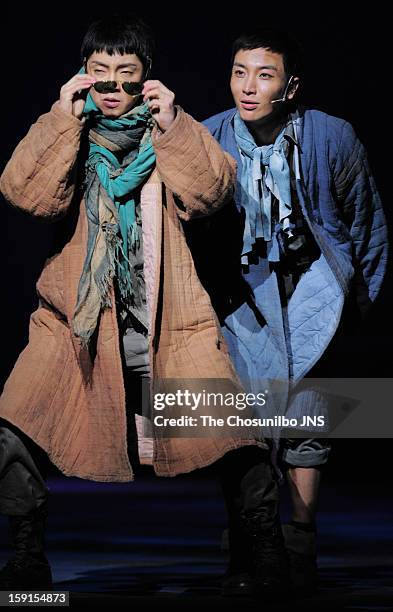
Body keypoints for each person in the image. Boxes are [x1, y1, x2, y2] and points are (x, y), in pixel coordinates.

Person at [0, 16, 287, 597]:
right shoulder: (71, 135)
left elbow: (210, 192)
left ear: (146, 80)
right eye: (99, 74)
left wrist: (173, 123)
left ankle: (262, 560)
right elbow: (25, 193)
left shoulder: (171, 132)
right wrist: (61, 117)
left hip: (171, 322)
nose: (111, 87)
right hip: (78, 326)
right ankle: (28, 563)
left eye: (125, 76)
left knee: (235, 439)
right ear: (84, 76)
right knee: (14, 426)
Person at [199, 28, 388, 595]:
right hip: (238, 298)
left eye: (264, 74)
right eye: (238, 72)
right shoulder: (208, 136)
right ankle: (249, 545)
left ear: (290, 85)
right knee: (239, 426)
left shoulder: (330, 136)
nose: (248, 86)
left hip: (310, 290)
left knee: (307, 417)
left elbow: (365, 225)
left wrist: (351, 305)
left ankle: (301, 544)